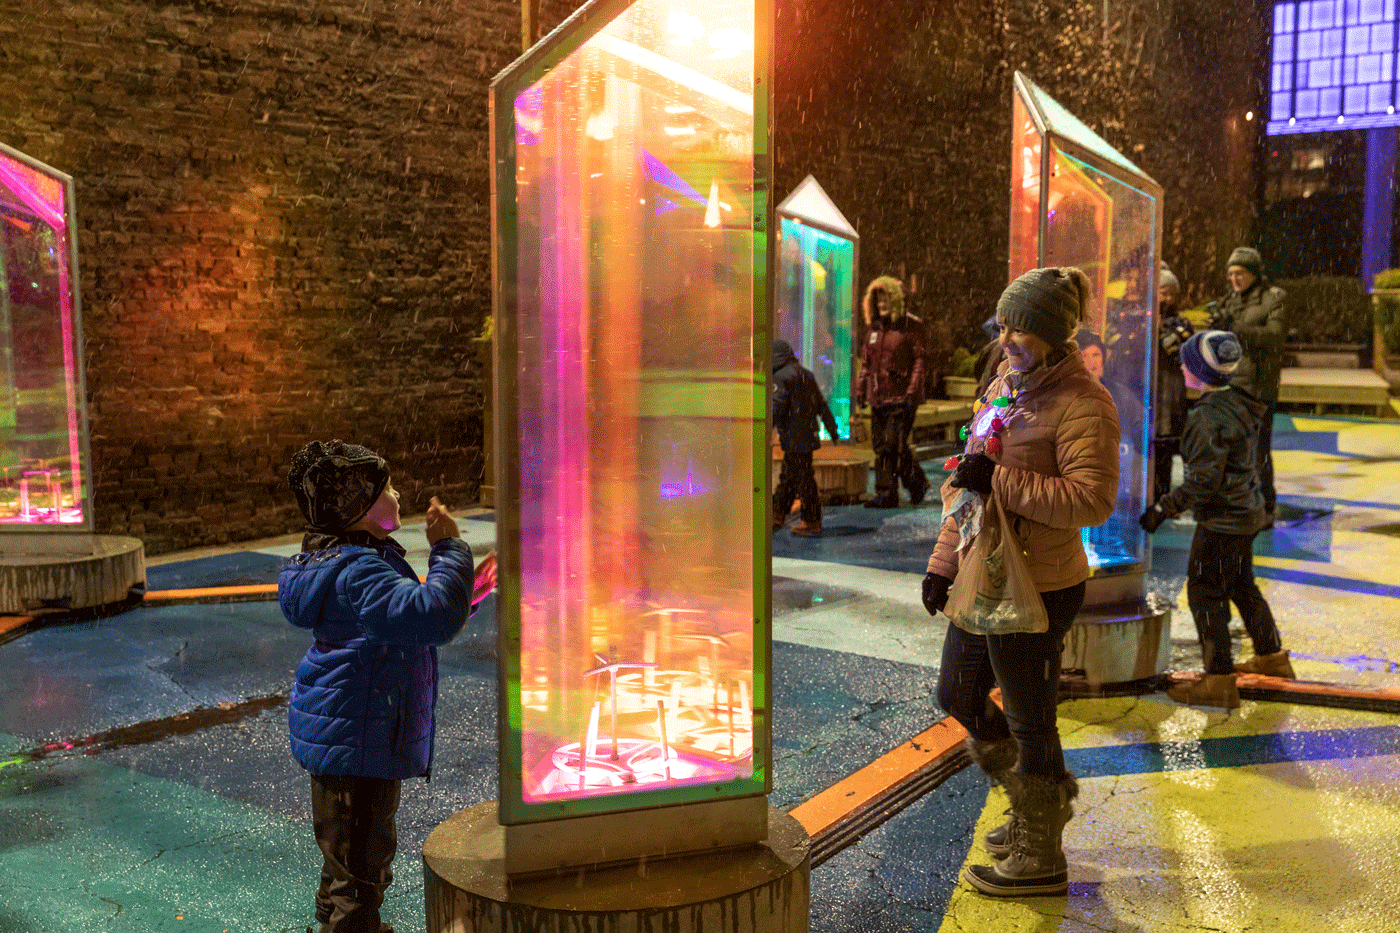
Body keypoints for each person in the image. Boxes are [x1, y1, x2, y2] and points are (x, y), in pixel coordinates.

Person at [922, 267, 1120, 897]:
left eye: (1021, 329)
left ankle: (1041, 851)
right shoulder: (1002, 389)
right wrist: (942, 563)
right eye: (1003, 324)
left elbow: (1091, 500)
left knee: (1032, 719)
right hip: (982, 575)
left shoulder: (1085, 402)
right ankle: (1033, 804)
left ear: (1054, 335)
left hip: (1040, 586)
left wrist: (998, 480)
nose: (1006, 338)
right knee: (956, 693)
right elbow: (966, 482)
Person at [280, 440, 497, 933]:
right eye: (388, 488)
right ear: (359, 507)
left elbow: (407, 620)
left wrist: (469, 592)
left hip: (355, 737)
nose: (398, 495)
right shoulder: (358, 571)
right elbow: (430, 618)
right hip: (357, 743)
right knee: (359, 875)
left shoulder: (352, 561)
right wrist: (448, 548)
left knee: (350, 867)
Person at [1140, 332, 1295, 707]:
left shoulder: (1205, 417)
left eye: (1186, 362)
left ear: (1198, 371)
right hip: (1246, 511)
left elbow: (1203, 482)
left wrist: (1163, 508)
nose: (1179, 366)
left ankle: (1219, 679)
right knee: (1241, 583)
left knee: (1205, 592)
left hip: (1222, 521)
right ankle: (1272, 656)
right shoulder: (1240, 403)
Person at [1208, 246, 1288, 526]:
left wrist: (1236, 327)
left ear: (1253, 272)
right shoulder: (1229, 301)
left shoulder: (1273, 299)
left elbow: (1275, 337)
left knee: (1257, 452)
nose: (1234, 279)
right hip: (1230, 385)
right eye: (1230, 274)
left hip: (1258, 388)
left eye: (1239, 273)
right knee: (1229, 450)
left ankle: (1265, 506)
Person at [854, 275, 929, 508]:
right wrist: (860, 389)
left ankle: (886, 494)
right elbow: (867, 362)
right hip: (879, 396)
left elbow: (920, 360)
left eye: (885, 301)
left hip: (901, 397)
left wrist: (911, 390)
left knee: (890, 444)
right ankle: (916, 483)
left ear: (896, 301)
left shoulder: (912, 327)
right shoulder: (874, 329)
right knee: (885, 444)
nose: (881, 305)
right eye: (878, 301)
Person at [772, 338, 841, 537]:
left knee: (803, 480)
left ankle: (810, 521)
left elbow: (776, 408)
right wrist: (832, 429)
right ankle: (778, 513)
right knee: (791, 475)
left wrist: (763, 429)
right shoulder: (806, 374)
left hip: (793, 436)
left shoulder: (780, 377)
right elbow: (821, 404)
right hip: (807, 434)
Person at [1153, 266, 1194, 501]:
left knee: (1167, 446)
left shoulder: (1182, 324)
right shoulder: (1143, 319)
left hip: (1170, 392)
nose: (1165, 299)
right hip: (1151, 390)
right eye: (1161, 292)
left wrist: (1158, 330)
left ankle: (1164, 496)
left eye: (1170, 293)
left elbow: (1171, 346)